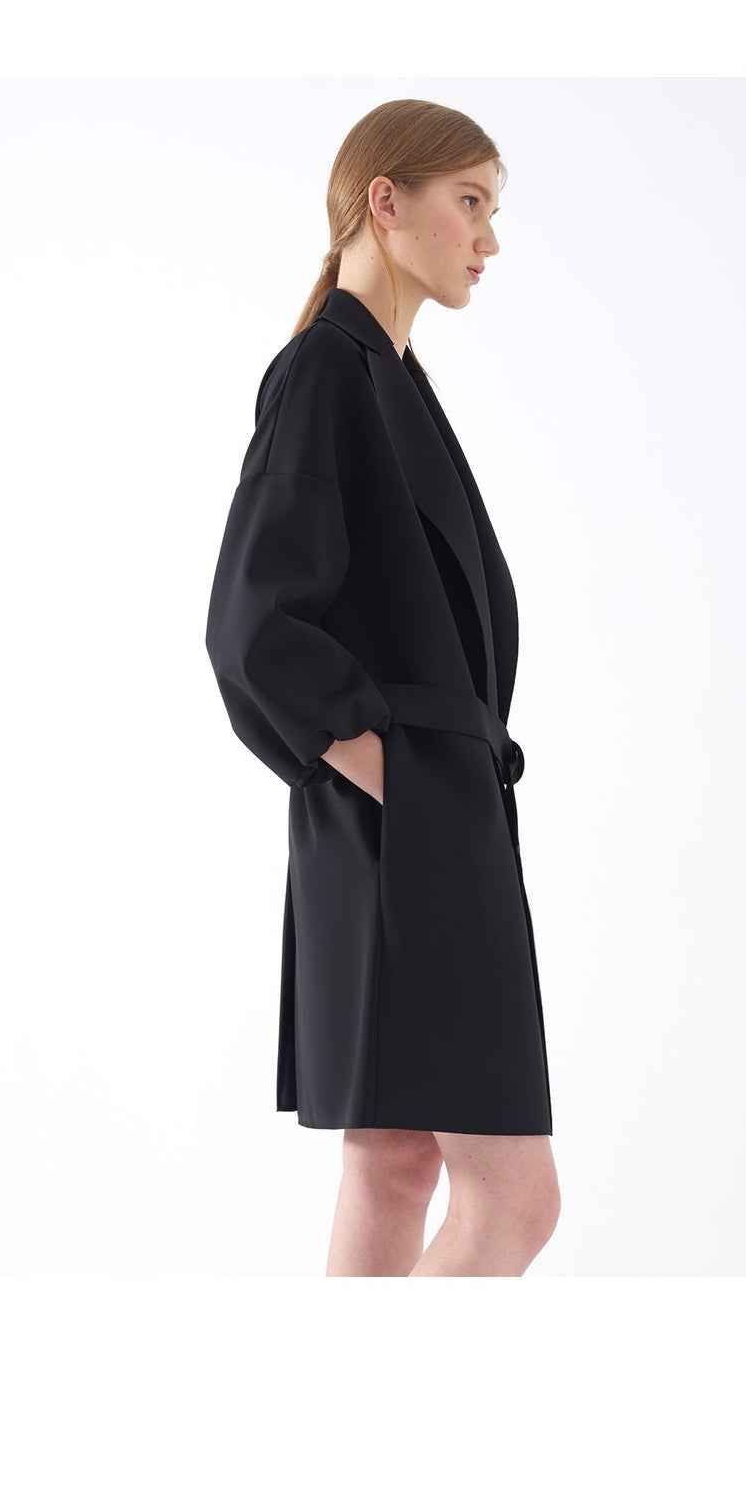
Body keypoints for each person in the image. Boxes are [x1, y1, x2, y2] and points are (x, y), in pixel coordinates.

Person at [205, 99, 560, 1277]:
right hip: (404, 824)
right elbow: (255, 627)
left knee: (397, 1160)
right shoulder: (328, 372)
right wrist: (402, 787)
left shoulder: (387, 376)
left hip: (411, 818)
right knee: (513, 1200)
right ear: (385, 200)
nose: (489, 238)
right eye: (471, 202)